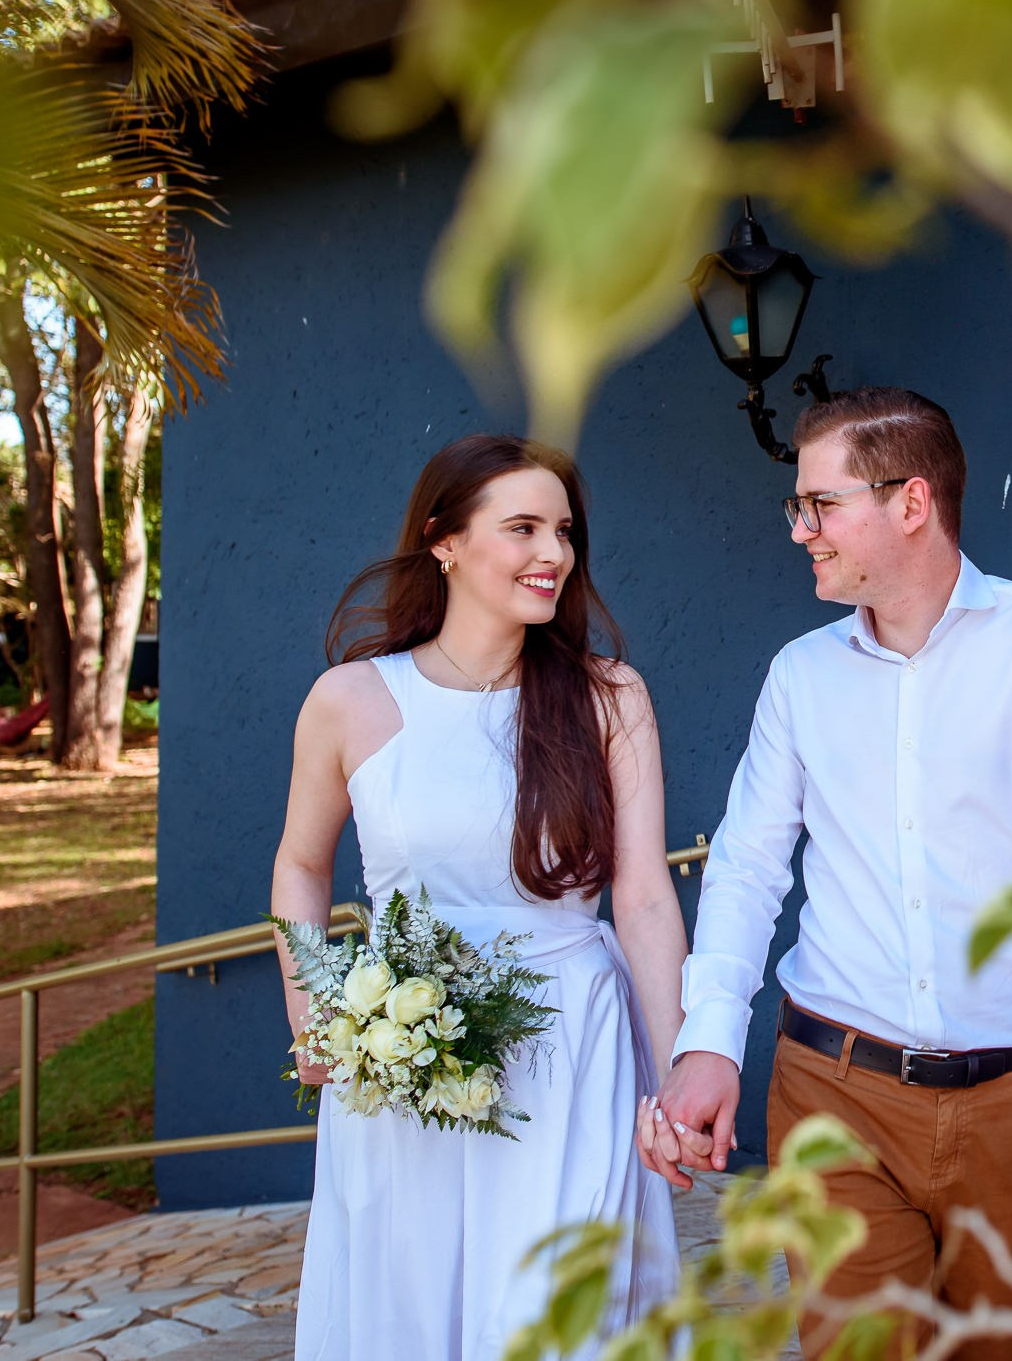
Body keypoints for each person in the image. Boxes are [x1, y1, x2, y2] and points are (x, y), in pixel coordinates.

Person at [642, 388, 1012, 1360]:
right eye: (800, 505)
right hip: (836, 1092)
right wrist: (708, 1040)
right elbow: (747, 866)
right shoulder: (798, 674)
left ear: (910, 501)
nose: (800, 529)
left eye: (820, 505)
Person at [272, 434, 693, 1360]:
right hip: (401, 1066)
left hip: (571, 1054)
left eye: (565, 531)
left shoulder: (608, 697)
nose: (555, 554)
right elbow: (301, 866)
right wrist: (316, 1012)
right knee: (409, 1304)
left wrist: (675, 1074)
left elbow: (645, 899)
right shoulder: (350, 700)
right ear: (445, 542)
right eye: (524, 528)